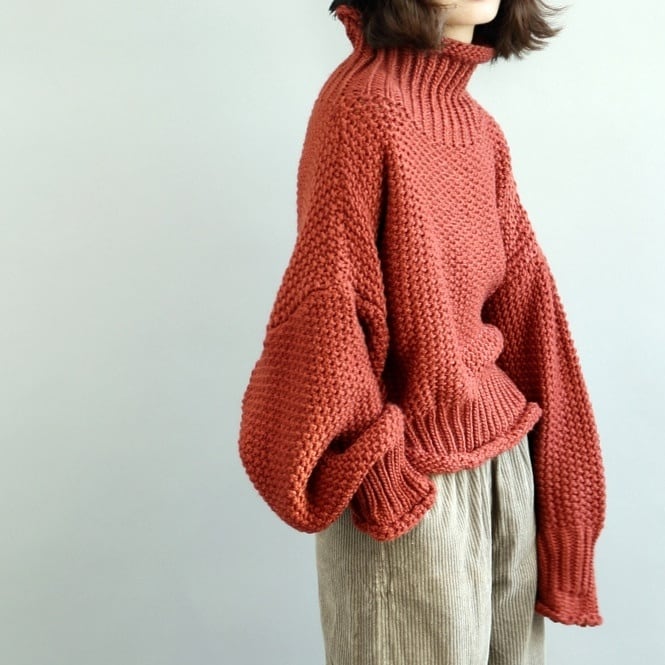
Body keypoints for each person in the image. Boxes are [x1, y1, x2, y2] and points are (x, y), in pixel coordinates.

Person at [237, 1, 607, 663]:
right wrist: (380, 473)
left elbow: (531, 312)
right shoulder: (363, 106)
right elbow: (325, 309)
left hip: (505, 468)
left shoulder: (477, 128)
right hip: (412, 490)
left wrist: (564, 513)